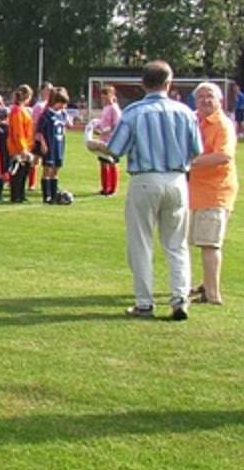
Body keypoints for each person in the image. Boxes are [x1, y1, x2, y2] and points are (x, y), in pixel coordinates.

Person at [89, 60, 201, 321]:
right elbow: (196, 150)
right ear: (169, 82)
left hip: (145, 178)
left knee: (141, 242)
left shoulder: (134, 112)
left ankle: (144, 302)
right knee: (176, 244)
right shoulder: (185, 112)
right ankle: (179, 298)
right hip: (176, 179)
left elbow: (116, 149)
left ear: (143, 84)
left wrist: (95, 145)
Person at [186, 82, 237, 306]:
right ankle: (204, 284)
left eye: (211, 97)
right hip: (194, 192)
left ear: (220, 101)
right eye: (202, 97)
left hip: (215, 191)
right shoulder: (193, 120)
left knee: (209, 243)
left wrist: (188, 163)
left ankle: (213, 294)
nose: (206, 101)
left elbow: (223, 156)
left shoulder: (222, 125)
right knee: (193, 241)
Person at [34, 88, 70, 204]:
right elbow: (39, 132)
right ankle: (47, 196)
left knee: (56, 170)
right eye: (62, 103)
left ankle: (54, 195)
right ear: (56, 101)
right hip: (49, 145)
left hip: (59, 145)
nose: (63, 106)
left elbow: (66, 127)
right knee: (47, 169)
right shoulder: (46, 114)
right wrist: (43, 144)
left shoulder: (62, 114)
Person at [5, 85, 35, 204]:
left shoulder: (23, 110)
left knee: (24, 171)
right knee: (18, 171)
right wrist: (22, 148)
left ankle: (21, 194)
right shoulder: (17, 110)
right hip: (18, 147)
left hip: (25, 146)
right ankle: (16, 195)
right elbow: (18, 132)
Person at [93, 86, 122, 196]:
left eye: (106, 97)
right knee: (103, 163)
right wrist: (97, 128)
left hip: (112, 140)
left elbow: (116, 125)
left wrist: (105, 131)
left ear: (112, 96)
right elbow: (103, 123)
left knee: (112, 162)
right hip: (103, 140)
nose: (104, 100)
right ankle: (105, 187)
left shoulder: (114, 108)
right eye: (103, 98)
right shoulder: (105, 108)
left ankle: (112, 188)